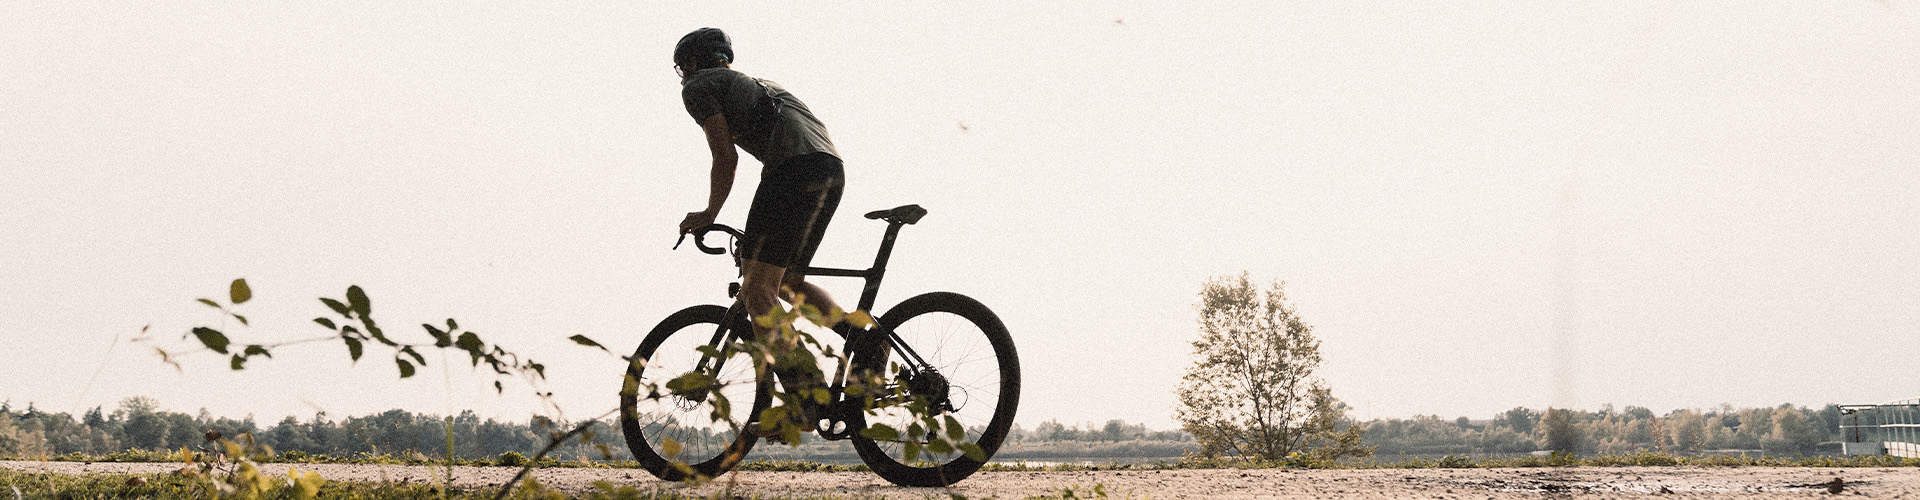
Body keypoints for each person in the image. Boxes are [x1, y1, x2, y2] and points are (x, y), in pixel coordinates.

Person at [672, 27, 843, 434]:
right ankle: (865, 339)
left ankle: (804, 401)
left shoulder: (699, 86)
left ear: (693, 62)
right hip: (829, 168)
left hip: (792, 171)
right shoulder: (759, 83)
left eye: (682, 67)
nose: (682, 75)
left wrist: (710, 211)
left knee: (756, 290)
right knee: (789, 282)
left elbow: (725, 156)